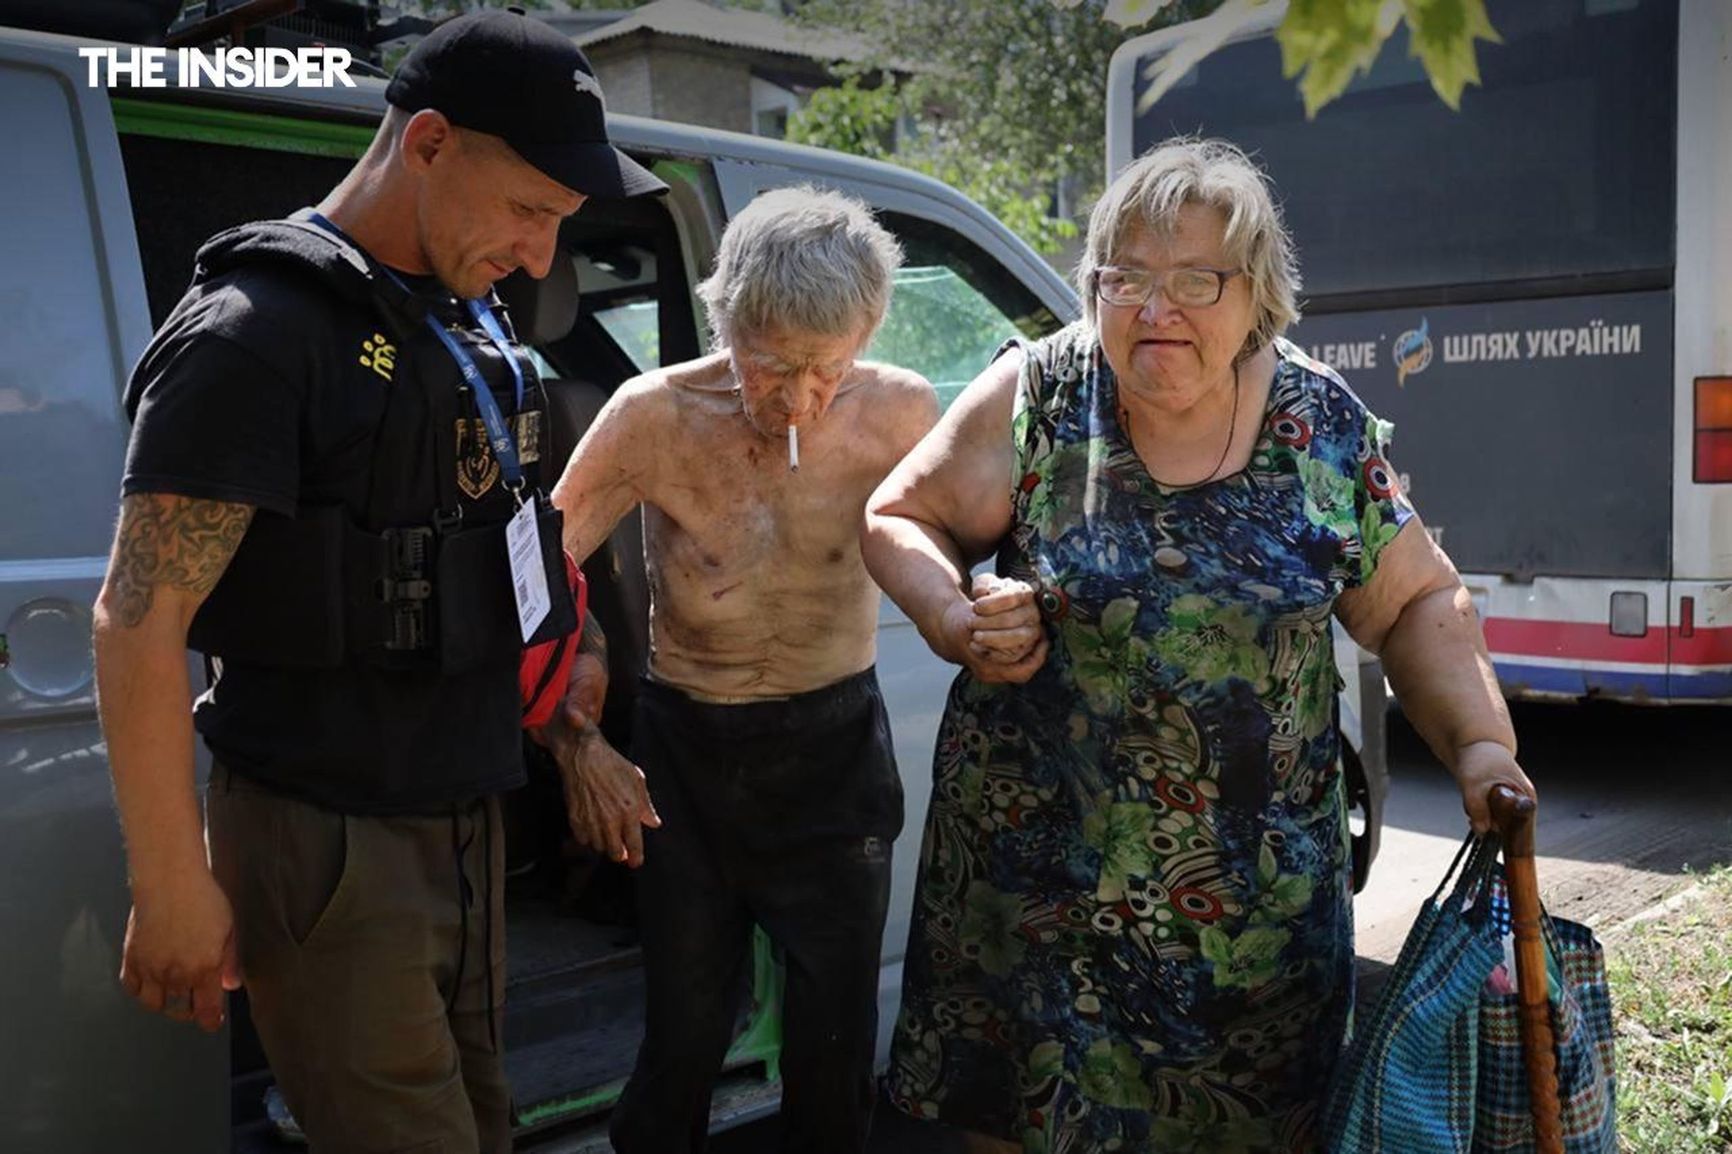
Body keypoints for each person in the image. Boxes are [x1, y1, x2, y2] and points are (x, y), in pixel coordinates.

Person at [864, 137, 1536, 1153]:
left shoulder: (1320, 425)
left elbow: (1414, 604)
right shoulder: (1039, 397)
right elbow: (896, 515)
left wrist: (1482, 746)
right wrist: (952, 612)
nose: (1152, 305)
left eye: (1193, 278)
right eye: (1124, 275)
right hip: (1033, 900)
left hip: (1248, 941)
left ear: (1255, 293)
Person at [91, 11, 664, 1152]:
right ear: (433, 142)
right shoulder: (254, 335)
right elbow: (136, 620)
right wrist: (169, 881)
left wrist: (568, 722)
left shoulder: (462, 316)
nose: (544, 256)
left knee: (480, 1129)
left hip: (463, 815)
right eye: (529, 210)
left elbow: (488, 555)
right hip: (330, 835)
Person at [547, 186, 939, 1154]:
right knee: (682, 1036)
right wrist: (572, 738)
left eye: (828, 369)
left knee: (834, 1047)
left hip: (834, 752)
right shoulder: (651, 415)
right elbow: (529, 580)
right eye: (772, 367)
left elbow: (976, 539)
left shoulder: (900, 409)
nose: (801, 400)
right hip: (691, 754)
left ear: (868, 332)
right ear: (726, 325)